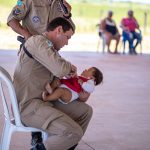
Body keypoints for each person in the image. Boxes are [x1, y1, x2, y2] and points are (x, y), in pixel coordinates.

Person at [13, 17, 93, 150]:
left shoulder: (48, 47)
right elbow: (60, 69)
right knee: (73, 132)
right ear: (59, 30)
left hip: (42, 100)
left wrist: (78, 90)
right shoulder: (37, 41)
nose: (67, 43)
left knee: (85, 111)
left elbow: (56, 76)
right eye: (67, 37)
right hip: (28, 106)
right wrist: (69, 68)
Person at [7, 0, 75, 149]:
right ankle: (37, 137)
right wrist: (28, 36)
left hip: (50, 55)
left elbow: (69, 29)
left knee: (47, 89)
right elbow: (11, 20)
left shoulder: (60, 3)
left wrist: (67, 14)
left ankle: (57, 139)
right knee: (32, 90)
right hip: (33, 50)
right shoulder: (28, 1)